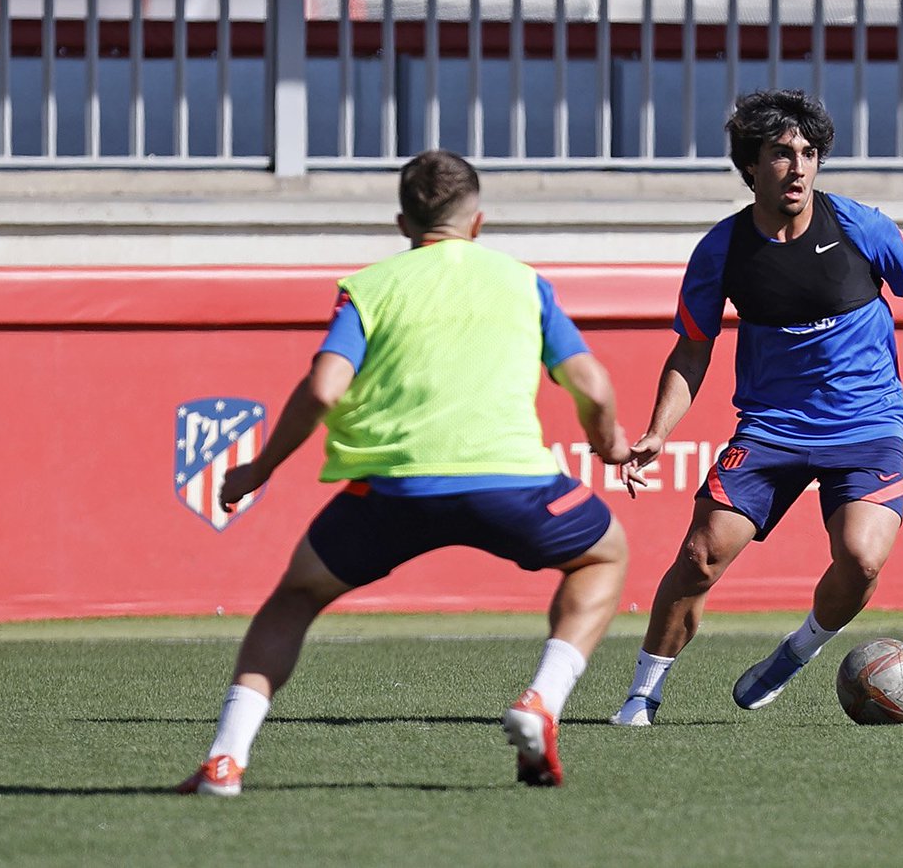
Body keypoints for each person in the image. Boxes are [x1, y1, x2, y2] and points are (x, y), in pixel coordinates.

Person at [178, 149, 632, 793]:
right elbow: (590, 380)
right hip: (512, 483)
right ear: (478, 224)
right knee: (603, 556)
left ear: (402, 224)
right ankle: (542, 701)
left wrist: (259, 468)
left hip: (389, 491)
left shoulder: (369, 287)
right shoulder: (522, 282)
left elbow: (326, 388)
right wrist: (607, 443)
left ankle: (225, 760)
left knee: (295, 599)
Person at [610, 89, 903, 726]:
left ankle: (797, 650)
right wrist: (659, 431)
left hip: (867, 424)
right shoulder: (721, 252)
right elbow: (691, 351)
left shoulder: (858, 226)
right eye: (780, 153)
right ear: (752, 166)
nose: (798, 166)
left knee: (862, 558)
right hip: (772, 429)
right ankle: (642, 695)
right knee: (698, 558)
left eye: (809, 153)